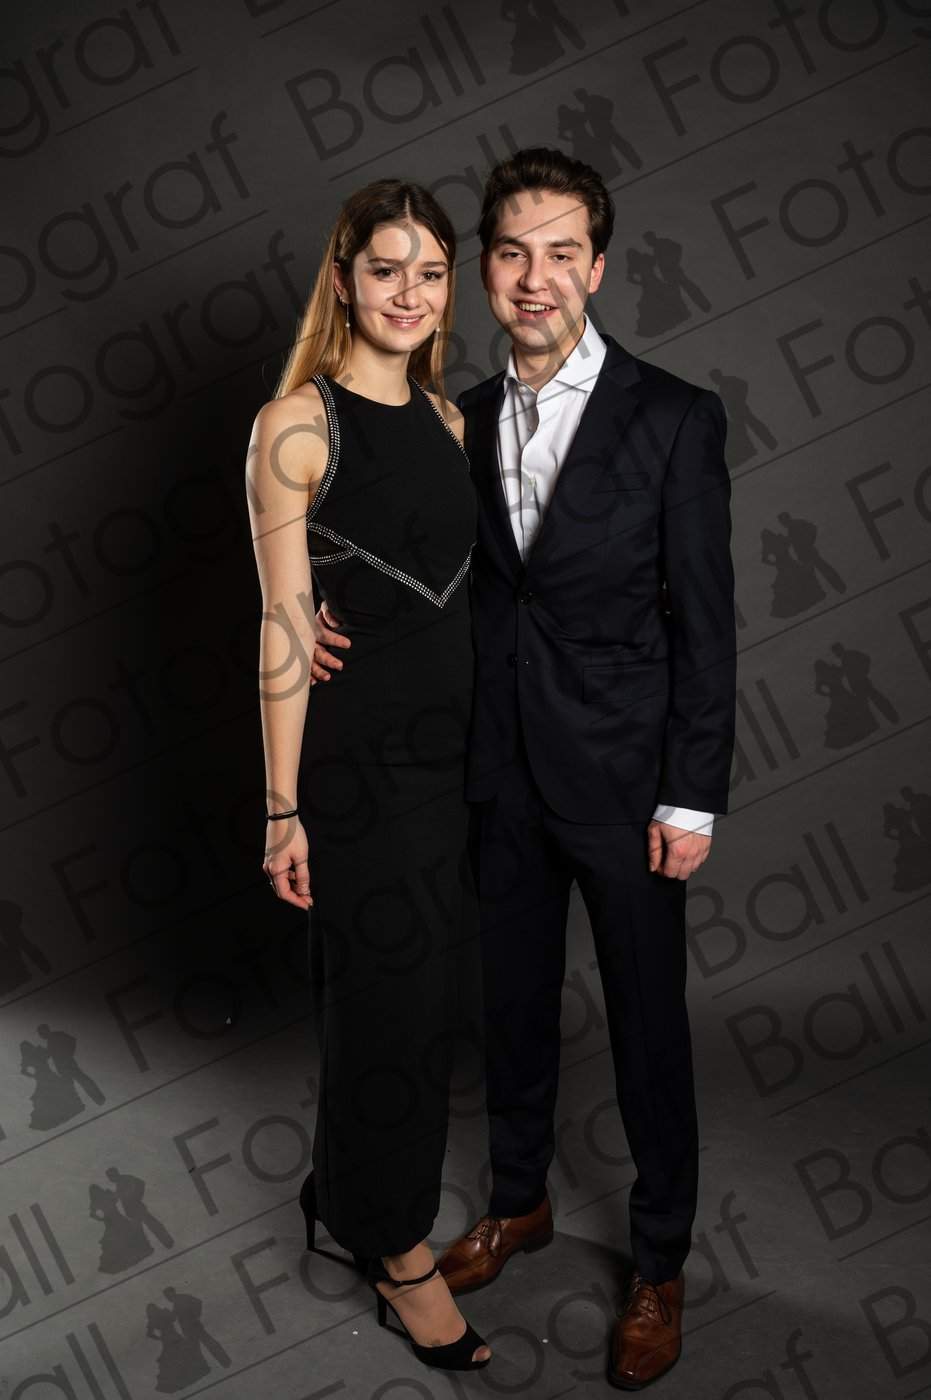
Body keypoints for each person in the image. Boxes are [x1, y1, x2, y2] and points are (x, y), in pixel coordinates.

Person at [311, 147, 737, 1390]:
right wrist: (317, 612)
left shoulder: (675, 417)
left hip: (626, 781)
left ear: (596, 268)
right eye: (511, 252)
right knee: (507, 1008)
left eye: (561, 252)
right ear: (485, 272)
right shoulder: (457, 416)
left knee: (648, 1024)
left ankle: (658, 1260)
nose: (534, 276)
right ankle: (517, 1201)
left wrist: (691, 793)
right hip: (491, 772)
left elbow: (707, 623)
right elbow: (406, 559)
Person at [245, 178, 491, 1372]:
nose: (409, 293)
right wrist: (283, 806)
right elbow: (285, 625)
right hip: (359, 769)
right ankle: (396, 1246)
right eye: (386, 269)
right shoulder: (295, 424)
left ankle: (340, 1194)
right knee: (389, 1001)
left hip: (453, 763)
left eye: (430, 273)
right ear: (343, 278)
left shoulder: (447, 420)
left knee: (421, 999)